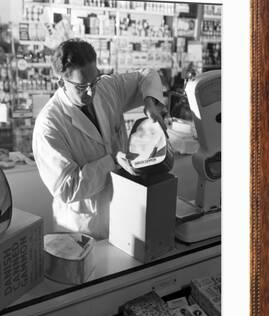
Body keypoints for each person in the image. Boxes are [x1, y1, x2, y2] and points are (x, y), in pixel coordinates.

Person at [32, 39, 168, 239]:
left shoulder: (106, 88)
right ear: (62, 82)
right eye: (82, 86)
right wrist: (112, 161)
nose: (91, 91)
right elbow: (66, 189)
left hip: (120, 212)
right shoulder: (49, 124)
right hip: (82, 228)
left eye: (94, 81)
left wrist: (149, 102)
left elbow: (147, 75)